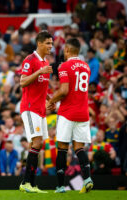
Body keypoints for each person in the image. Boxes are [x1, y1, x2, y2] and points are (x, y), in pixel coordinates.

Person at [47, 38, 93, 193]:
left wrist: (51, 100)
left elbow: (65, 90)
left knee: (62, 148)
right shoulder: (86, 67)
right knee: (79, 148)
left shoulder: (65, 66)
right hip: (83, 112)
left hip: (68, 112)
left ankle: (60, 186)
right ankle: (87, 179)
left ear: (67, 50)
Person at [19, 31, 53, 193]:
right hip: (30, 107)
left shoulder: (45, 61)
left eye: (51, 44)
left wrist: (48, 99)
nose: (50, 46)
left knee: (38, 145)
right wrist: (39, 71)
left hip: (40, 109)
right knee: (37, 143)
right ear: (39, 43)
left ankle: (30, 184)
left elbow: (41, 86)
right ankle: (26, 183)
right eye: (48, 43)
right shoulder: (30, 60)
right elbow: (22, 82)